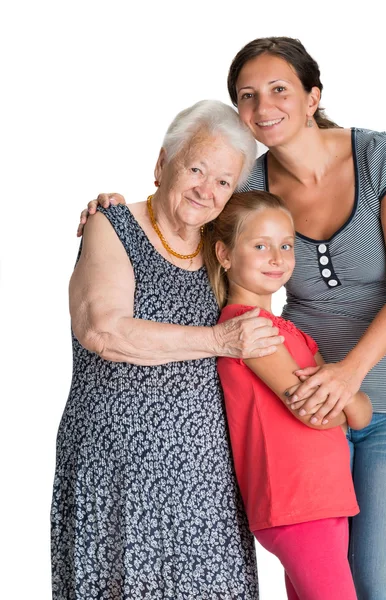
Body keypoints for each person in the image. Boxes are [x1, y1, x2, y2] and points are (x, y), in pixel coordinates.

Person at [78, 37, 386, 600]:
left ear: (312, 96)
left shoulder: (378, 156)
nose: (263, 105)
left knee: (381, 583)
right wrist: (115, 209)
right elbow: (188, 200)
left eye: (279, 89)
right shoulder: (248, 183)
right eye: (247, 95)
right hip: (302, 390)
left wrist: (348, 375)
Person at [51, 99, 289, 600]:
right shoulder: (111, 226)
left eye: (224, 181)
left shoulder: (222, 249)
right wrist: (217, 342)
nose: (206, 189)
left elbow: (279, 277)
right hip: (115, 472)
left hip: (207, 483)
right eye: (196, 168)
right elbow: (103, 330)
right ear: (163, 165)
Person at [203, 190, 372, 600]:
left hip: (323, 499)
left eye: (285, 245)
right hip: (296, 501)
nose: (277, 258)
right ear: (224, 254)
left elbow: (363, 414)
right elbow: (319, 414)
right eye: (260, 246)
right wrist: (342, 394)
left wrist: (343, 397)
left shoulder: (290, 331)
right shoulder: (248, 329)